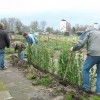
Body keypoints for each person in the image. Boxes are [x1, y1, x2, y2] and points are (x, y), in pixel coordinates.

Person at [70, 23, 100, 95]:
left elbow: (81, 43)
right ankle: (98, 92)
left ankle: (86, 87)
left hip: (93, 54)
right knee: (99, 73)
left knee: (85, 69)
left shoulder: (89, 32)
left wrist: (73, 48)